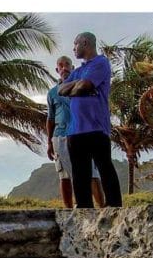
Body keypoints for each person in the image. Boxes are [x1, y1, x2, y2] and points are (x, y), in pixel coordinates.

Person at [59, 32, 122, 208]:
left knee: (104, 168)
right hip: (75, 130)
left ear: (85, 43)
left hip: (96, 126)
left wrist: (79, 86)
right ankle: (84, 208)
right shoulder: (78, 70)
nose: (73, 48)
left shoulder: (101, 62)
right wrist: (77, 86)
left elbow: (85, 86)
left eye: (75, 44)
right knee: (80, 174)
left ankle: (114, 206)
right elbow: (61, 90)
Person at [46, 56, 105, 209]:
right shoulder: (52, 93)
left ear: (73, 67)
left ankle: (102, 208)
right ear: (57, 70)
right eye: (61, 65)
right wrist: (49, 142)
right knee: (64, 175)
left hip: (82, 134)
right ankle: (68, 209)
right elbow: (50, 118)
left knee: (91, 173)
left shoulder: (82, 86)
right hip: (60, 136)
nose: (64, 68)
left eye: (67, 64)